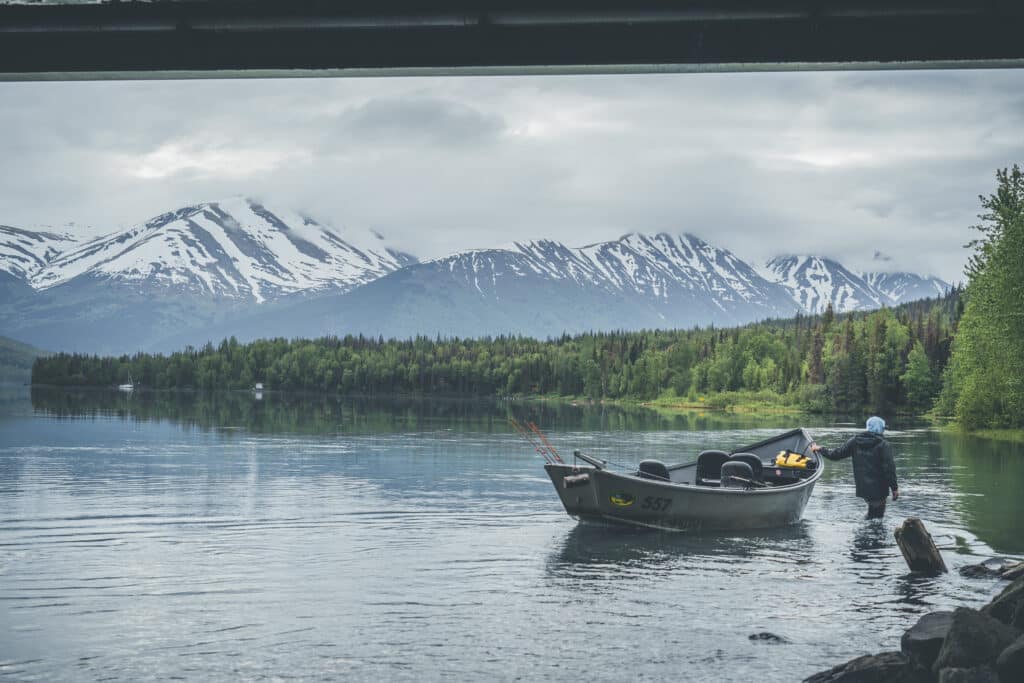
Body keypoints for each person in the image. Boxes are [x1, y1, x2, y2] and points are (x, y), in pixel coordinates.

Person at [810, 416, 899, 519]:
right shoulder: (884, 445)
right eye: (883, 428)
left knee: (872, 514)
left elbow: (836, 454)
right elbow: (890, 468)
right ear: (880, 429)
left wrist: (820, 448)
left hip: (863, 488)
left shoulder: (855, 441)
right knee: (877, 518)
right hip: (879, 489)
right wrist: (894, 488)